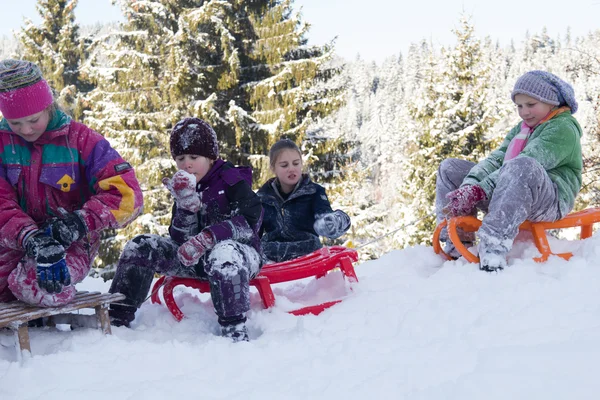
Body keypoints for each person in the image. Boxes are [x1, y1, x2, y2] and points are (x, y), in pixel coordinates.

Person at [0, 59, 143, 306]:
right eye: (15, 123)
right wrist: (30, 237)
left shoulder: (82, 141)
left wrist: (78, 223)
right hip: (15, 240)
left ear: (48, 105)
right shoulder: (2, 143)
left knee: (36, 285)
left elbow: (128, 195)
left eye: (33, 119)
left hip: (71, 243)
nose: (25, 129)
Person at [109, 117, 263, 342]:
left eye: (194, 157)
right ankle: (116, 317)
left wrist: (208, 237)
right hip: (197, 260)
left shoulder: (230, 180)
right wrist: (185, 208)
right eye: (180, 158)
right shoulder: (186, 187)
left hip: (239, 257)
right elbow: (179, 239)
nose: (186, 164)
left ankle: (234, 329)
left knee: (224, 253)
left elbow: (250, 221)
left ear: (211, 157)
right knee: (140, 246)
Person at [435, 70, 582, 271]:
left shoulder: (563, 128)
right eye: (519, 106)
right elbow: (496, 160)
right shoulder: (522, 129)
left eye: (531, 105)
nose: (524, 112)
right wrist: (469, 186)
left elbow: (527, 161)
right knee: (450, 168)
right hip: (510, 189)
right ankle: (457, 241)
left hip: (549, 199)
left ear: (552, 102)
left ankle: (494, 247)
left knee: (522, 165)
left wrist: (480, 191)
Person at [257, 139, 351, 262]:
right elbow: (254, 232)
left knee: (313, 246)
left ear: (301, 164)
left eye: (296, 163)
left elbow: (324, 214)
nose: (291, 169)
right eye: (284, 165)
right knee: (259, 249)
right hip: (273, 253)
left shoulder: (314, 192)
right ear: (273, 168)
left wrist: (332, 222)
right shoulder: (262, 197)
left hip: (306, 251)